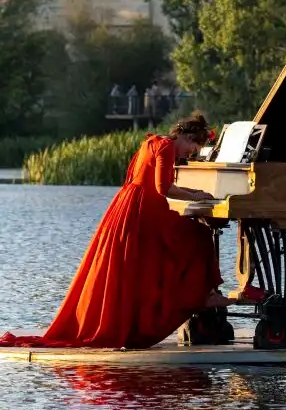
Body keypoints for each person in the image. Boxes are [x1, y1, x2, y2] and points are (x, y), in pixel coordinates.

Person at [0, 114, 229, 350]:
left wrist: (192, 193)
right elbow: (163, 188)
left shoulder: (153, 141)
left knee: (182, 240)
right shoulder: (167, 147)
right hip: (144, 212)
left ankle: (199, 297)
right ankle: (204, 295)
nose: (190, 154)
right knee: (199, 236)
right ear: (188, 136)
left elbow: (151, 182)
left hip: (131, 206)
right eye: (194, 148)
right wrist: (196, 195)